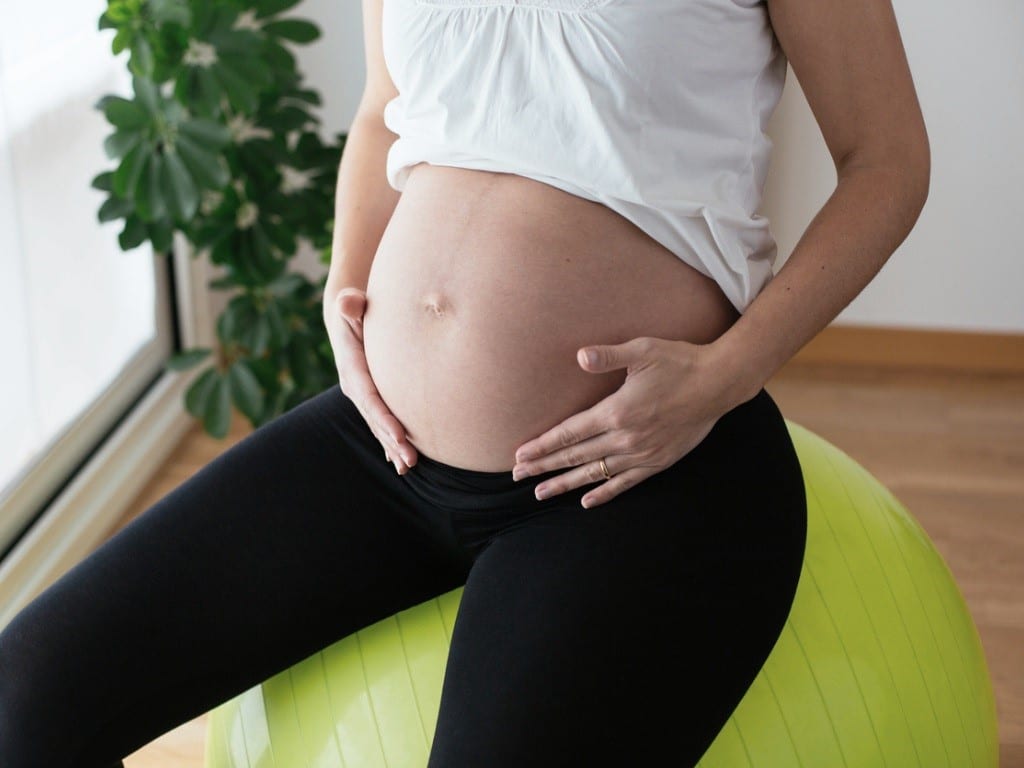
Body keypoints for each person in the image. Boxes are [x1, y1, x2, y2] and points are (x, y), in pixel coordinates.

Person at [0, 0, 930, 764]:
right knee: (25, 703)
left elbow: (886, 162)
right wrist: (345, 277)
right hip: (383, 449)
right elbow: (384, 108)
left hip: (637, 472)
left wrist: (727, 374)